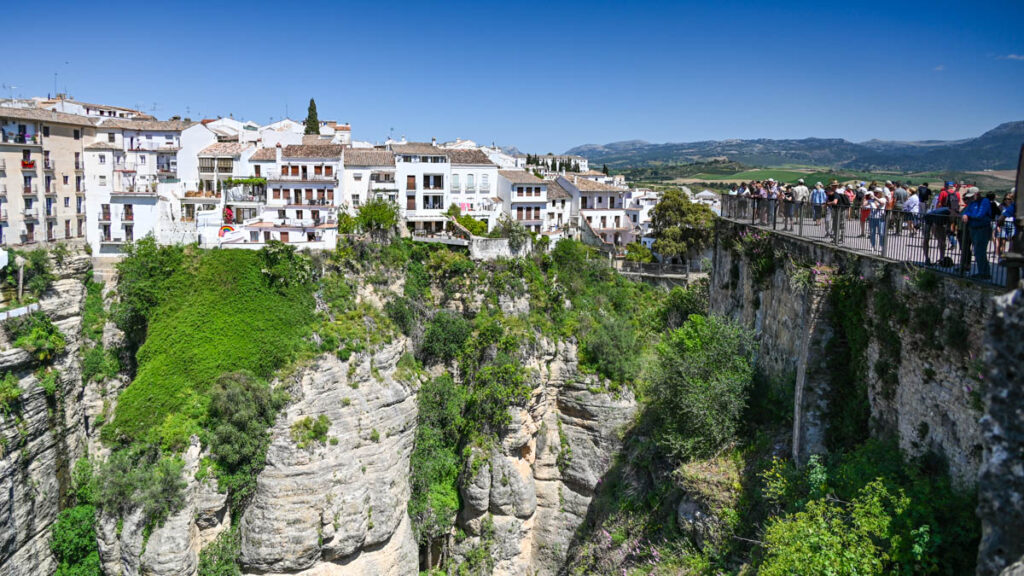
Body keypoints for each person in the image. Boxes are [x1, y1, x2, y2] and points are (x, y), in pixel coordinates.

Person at [961, 187, 993, 278]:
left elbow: (980, 215)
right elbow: (965, 212)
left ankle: (984, 273)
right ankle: (983, 271)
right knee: (977, 251)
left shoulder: (985, 201)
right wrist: (966, 214)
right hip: (973, 228)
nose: (970, 198)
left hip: (982, 228)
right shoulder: (973, 202)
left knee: (980, 251)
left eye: (972, 196)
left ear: (977, 194)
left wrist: (968, 215)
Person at [996, 189, 1016, 261]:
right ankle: (1002, 256)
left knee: (1013, 242)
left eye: (1010, 199)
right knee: (1002, 242)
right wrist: (998, 225)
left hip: (1012, 225)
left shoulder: (1015, 205)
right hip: (1003, 225)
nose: (1009, 200)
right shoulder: (1001, 207)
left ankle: (1010, 256)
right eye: (1007, 199)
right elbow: (999, 217)